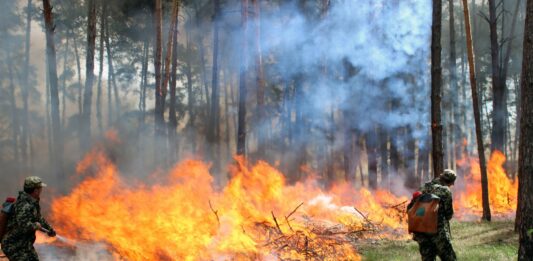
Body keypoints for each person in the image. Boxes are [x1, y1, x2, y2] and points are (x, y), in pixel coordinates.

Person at [1, 176, 56, 261]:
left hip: (25, 245)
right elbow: (24, 226)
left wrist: (49, 229)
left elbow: (39, 218)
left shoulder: (32, 203)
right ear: (36, 190)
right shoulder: (24, 205)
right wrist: (35, 226)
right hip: (14, 246)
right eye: (40, 188)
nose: (41, 190)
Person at [409, 169, 457, 261]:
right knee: (450, 258)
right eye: (452, 182)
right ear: (450, 182)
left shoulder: (423, 187)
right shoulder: (445, 191)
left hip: (421, 233)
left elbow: (411, 207)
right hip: (438, 233)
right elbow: (449, 214)